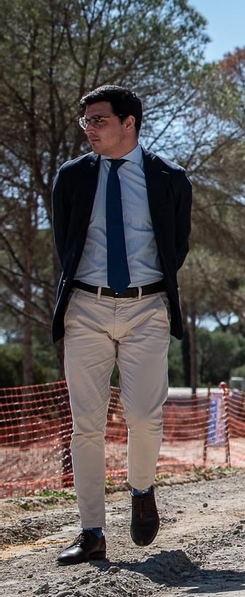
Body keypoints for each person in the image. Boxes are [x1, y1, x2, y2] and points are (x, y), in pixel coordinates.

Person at [52, 85, 193, 566]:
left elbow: (177, 245)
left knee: (144, 416)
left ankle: (141, 489)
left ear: (128, 123)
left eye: (99, 120)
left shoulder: (170, 178)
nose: (89, 129)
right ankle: (91, 531)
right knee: (86, 426)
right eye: (86, 121)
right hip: (85, 308)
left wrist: (145, 287)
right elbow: (65, 242)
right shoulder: (72, 177)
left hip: (147, 307)